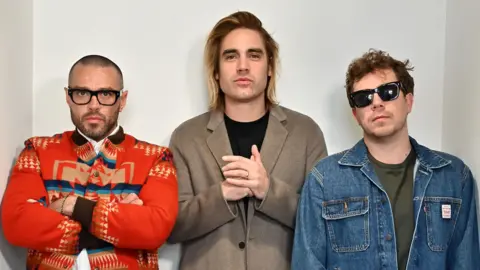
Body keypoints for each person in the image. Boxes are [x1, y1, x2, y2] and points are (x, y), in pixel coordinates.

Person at [167, 10, 328, 270]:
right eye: (231, 56)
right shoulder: (186, 137)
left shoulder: (306, 133)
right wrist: (221, 195)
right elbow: (171, 227)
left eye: (254, 55)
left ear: (270, 68)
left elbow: (325, 223)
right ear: (216, 72)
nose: (243, 66)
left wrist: (268, 190)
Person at [292, 49, 480, 270]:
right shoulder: (324, 180)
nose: (377, 103)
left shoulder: (455, 177)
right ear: (355, 114)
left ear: (408, 101)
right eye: (364, 98)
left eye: (388, 92)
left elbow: (466, 263)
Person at [1, 54, 178, 270]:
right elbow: (16, 224)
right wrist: (121, 224)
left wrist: (71, 205)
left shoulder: (155, 158)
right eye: (82, 93)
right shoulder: (37, 151)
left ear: (122, 100)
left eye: (105, 93)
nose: (94, 105)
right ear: (68, 97)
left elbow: (155, 230)